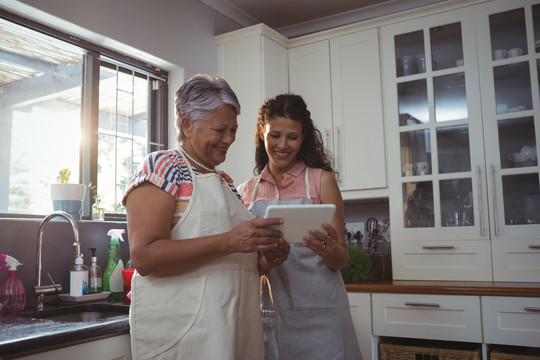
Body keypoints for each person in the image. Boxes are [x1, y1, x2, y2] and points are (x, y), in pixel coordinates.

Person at [122, 74, 290, 360]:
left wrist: (263, 261)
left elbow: (229, 263)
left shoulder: (225, 181)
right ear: (187, 125)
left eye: (233, 130)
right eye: (220, 129)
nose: (229, 139)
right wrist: (231, 241)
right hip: (189, 337)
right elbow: (144, 256)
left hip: (234, 333)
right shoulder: (164, 166)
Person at [239, 94, 362, 360]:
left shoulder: (322, 181)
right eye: (275, 135)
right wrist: (265, 262)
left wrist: (328, 250)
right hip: (272, 315)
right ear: (262, 133)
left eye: (292, 137)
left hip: (324, 316)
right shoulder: (247, 191)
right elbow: (250, 266)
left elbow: (341, 258)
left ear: (303, 137)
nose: (283, 145)